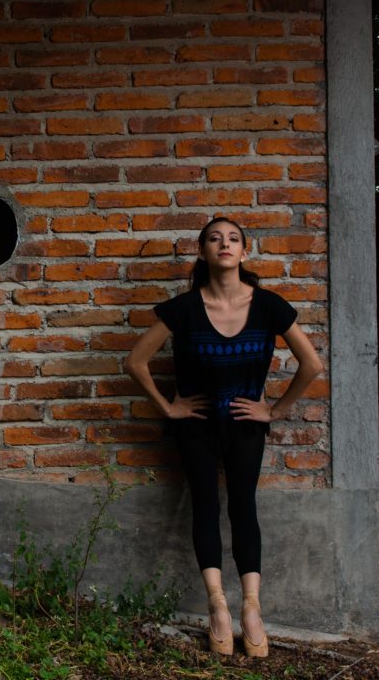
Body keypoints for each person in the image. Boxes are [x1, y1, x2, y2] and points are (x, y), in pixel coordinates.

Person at [123, 216, 323, 658]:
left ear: (244, 252)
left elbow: (312, 365)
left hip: (246, 426)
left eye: (233, 239)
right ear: (203, 252)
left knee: (243, 507)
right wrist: (169, 406)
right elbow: (135, 362)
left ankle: (251, 609)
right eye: (214, 239)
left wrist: (274, 409)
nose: (224, 244)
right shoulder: (183, 309)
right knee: (206, 506)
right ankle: (218, 606)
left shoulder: (269, 306)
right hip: (195, 425)